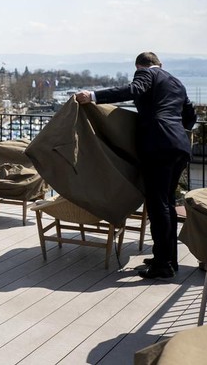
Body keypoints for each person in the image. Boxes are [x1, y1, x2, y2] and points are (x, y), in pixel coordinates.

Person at [75, 52, 196, 279]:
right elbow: (190, 115)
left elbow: (132, 90)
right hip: (179, 147)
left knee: (158, 206)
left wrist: (92, 96)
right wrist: (175, 130)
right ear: (160, 64)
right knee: (167, 204)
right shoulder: (176, 82)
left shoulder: (147, 75)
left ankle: (163, 266)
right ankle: (168, 259)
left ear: (140, 67)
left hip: (158, 147)